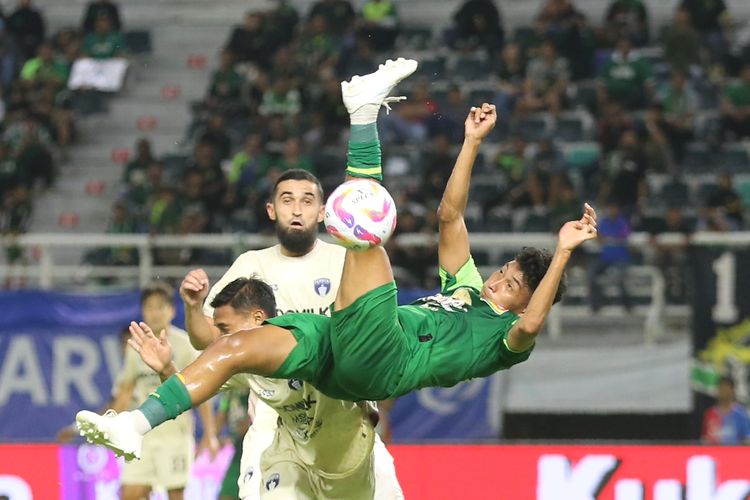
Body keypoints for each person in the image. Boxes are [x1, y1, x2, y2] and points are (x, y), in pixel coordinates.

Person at [77, 58, 598, 465]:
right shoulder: (465, 290)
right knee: (236, 346)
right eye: (502, 272)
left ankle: (364, 116)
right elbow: (449, 216)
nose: (496, 282)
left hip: (386, 359)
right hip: (340, 352)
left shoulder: (505, 340)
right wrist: (470, 144)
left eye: (508, 287)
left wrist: (563, 252)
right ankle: (134, 426)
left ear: (520, 304)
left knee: (367, 234)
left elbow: (532, 321)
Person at [132, 276, 399, 499]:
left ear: (258, 318)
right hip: (293, 456)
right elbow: (192, 391)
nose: (222, 340)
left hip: (349, 459)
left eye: (226, 329)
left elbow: (382, 368)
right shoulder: (246, 367)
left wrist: (377, 410)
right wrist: (166, 368)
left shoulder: (313, 344)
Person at [71, 283, 219, 500]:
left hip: (174, 436)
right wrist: (107, 425)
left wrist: (210, 434)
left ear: (172, 311)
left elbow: (201, 393)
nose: (155, 312)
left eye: (160, 307)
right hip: (142, 435)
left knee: (175, 495)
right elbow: (125, 391)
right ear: (142, 311)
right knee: (130, 493)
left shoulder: (185, 345)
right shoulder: (136, 348)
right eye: (149, 307)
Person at [701, 376, 750, 444]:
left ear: (733, 390)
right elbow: (704, 439)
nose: (724, 392)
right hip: (714, 453)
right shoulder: (709, 413)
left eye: (726, 388)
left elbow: (747, 438)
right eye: (721, 388)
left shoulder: (741, 414)